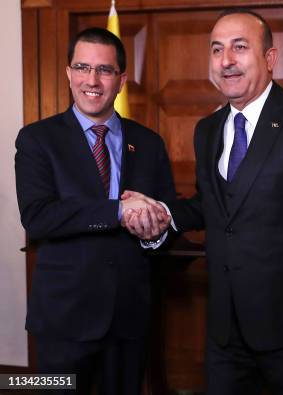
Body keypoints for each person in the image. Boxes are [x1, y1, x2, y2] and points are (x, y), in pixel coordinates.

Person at [123, 9, 283, 394]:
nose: (226, 60)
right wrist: (160, 212)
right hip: (224, 331)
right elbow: (214, 206)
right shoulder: (208, 129)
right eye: (217, 50)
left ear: (270, 58)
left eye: (239, 47)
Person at [14, 27, 175, 395]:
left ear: (120, 80)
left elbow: (168, 214)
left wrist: (154, 232)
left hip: (128, 318)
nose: (92, 80)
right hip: (63, 320)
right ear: (69, 73)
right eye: (82, 67)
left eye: (104, 70)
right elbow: (38, 217)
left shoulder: (148, 143)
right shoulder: (38, 139)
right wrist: (117, 212)